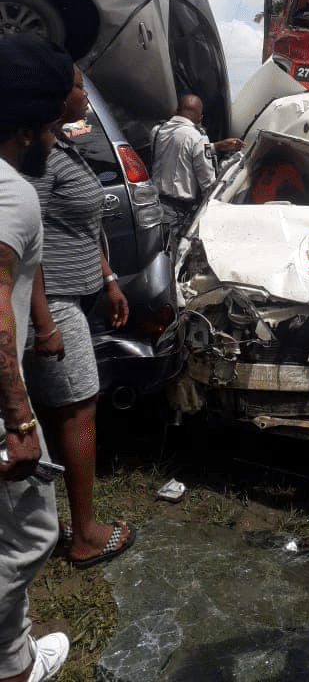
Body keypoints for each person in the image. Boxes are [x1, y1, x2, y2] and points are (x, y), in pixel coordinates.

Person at [24, 67, 135, 570]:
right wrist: (44, 321)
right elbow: (28, 243)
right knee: (77, 408)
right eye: (76, 87)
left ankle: (53, 522)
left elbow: (85, 228)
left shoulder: (63, 146)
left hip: (80, 292)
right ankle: (86, 536)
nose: (86, 95)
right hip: (56, 301)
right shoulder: (37, 158)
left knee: (63, 408)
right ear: (52, 95)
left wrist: (109, 280)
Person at [0, 35, 74, 682]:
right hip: (0, 407)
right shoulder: (12, 193)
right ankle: (14, 665)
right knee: (25, 538)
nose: (59, 137)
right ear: (26, 127)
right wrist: (20, 420)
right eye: (53, 124)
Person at [151, 94, 243, 240]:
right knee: (172, 254)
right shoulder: (198, 138)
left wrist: (216, 147)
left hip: (153, 205)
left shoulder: (157, 131)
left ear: (176, 111)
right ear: (200, 118)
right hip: (176, 213)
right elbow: (208, 185)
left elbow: (179, 147)